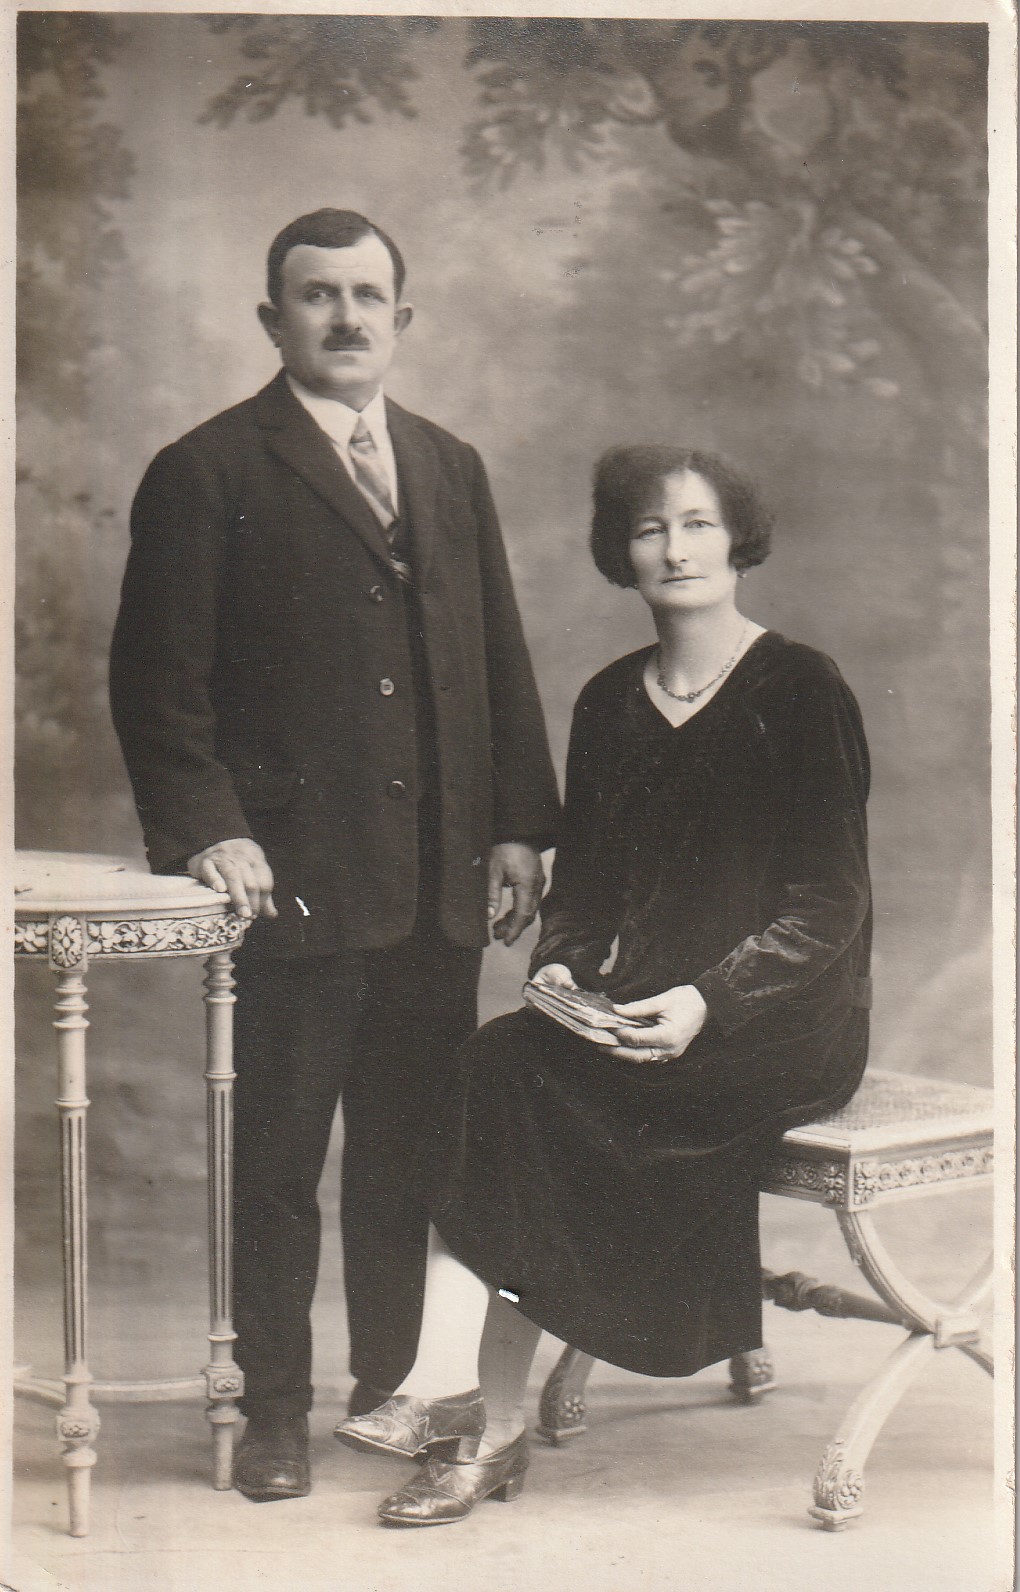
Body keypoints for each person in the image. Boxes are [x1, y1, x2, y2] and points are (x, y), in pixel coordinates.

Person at [109, 209, 560, 1501]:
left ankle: (386, 1392)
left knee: (407, 1156)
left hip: (431, 884)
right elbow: (158, 685)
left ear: (403, 320)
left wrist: (519, 822)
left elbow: (499, 659)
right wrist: (211, 827)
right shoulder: (208, 471)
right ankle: (271, 1414)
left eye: (369, 295)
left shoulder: (448, 464)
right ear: (273, 320)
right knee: (278, 1165)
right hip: (292, 887)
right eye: (318, 296)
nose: (347, 318)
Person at [335, 443, 872, 1527]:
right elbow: (587, 895)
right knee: (499, 1057)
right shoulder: (608, 702)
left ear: (739, 541)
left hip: (780, 1016)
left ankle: (464, 1413)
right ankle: (464, 1399)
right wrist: (562, 975)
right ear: (619, 553)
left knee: (534, 1102)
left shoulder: (802, 685)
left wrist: (705, 1003)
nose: (674, 547)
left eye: (699, 524)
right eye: (648, 528)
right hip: (644, 1006)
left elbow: (828, 907)